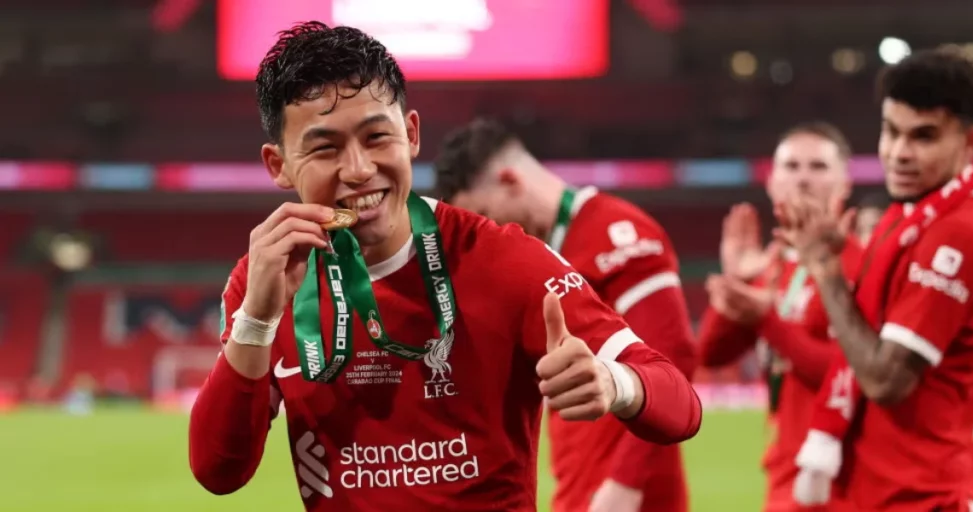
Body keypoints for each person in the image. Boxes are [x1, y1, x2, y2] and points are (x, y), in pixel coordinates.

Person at [187, 22, 702, 512]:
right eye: (325, 148)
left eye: (376, 137)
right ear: (279, 166)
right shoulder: (268, 278)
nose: (360, 170)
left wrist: (615, 383)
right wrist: (255, 320)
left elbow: (679, 402)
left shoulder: (503, 259)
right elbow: (219, 470)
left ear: (411, 135)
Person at [434, 118, 698, 512]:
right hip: (579, 485)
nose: (486, 234)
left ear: (510, 180)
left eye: (485, 215)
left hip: (625, 496)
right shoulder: (536, 259)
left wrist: (624, 486)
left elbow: (673, 353)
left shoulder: (619, 233)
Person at [787, 49, 973, 512]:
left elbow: (886, 380)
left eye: (923, 136)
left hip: (926, 495)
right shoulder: (905, 213)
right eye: (891, 131)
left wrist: (826, 271)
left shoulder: (960, 234)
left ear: (971, 142)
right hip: (881, 488)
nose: (899, 153)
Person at [697, 121, 862, 512]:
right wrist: (738, 278)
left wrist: (767, 319)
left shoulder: (858, 263)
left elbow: (854, 377)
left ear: (845, 183)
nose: (802, 179)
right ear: (772, 183)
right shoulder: (774, 265)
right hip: (783, 475)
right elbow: (710, 353)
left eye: (818, 167)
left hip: (843, 483)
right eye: (791, 166)